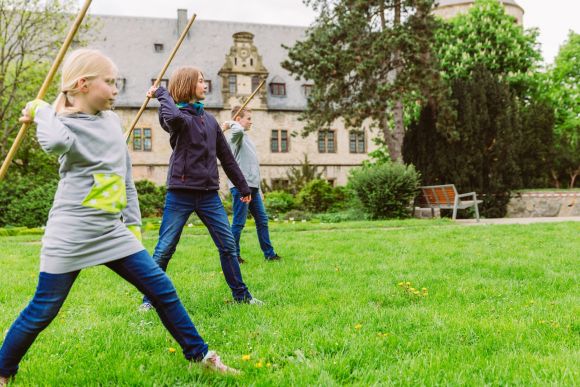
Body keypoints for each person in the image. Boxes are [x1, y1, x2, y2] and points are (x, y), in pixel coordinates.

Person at [0, 50, 238, 385]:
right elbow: (53, 141)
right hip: (72, 232)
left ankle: (201, 356)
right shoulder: (64, 125)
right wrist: (41, 110)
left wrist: (134, 224)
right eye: (109, 82)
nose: (116, 89)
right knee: (44, 309)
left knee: (162, 289)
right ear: (82, 84)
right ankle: (3, 370)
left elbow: (124, 175)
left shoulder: (112, 120)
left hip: (112, 232)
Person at [140, 67, 263, 311]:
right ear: (187, 85)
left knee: (227, 245)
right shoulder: (178, 117)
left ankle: (242, 296)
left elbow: (226, 156)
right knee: (165, 248)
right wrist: (162, 93)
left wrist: (242, 186)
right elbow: (172, 118)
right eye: (200, 81)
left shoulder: (209, 121)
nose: (205, 85)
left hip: (208, 194)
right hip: (181, 192)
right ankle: (148, 300)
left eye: (205, 81)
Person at [222, 107, 281, 264]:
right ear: (239, 119)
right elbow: (238, 131)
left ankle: (269, 254)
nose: (251, 121)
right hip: (241, 188)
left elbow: (253, 166)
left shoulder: (247, 139)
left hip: (253, 188)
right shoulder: (235, 138)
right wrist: (230, 123)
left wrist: (259, 190)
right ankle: (234, 257)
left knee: (262, 221)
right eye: (248, 118)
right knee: (239, 223)